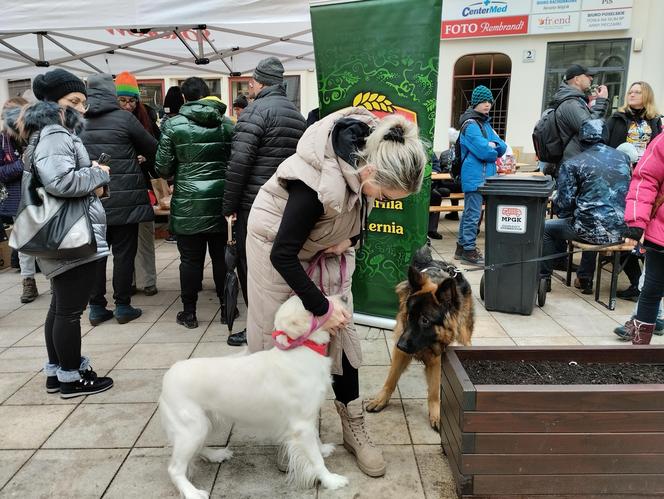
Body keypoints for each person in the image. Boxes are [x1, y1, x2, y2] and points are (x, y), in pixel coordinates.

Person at [245, 106, 427, 478]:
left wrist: (349, 238)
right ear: (371, 172)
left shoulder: (367, 162)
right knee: (290, 341)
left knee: (343, 337)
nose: (387, 201)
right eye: (388, 195)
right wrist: (320, 305)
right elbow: (283, 254)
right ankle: (296, 432)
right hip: (276, 252)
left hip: (324, 248)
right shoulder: (312, 184)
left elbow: (357, 219)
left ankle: (353, 426)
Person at [19, 69, 113, 397]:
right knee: (70, 311)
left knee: (60, 306)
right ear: (52, 102)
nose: (80, 109)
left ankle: (56, 372)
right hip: (70, 234)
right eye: (73, 101)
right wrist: (97, 174)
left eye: (83, 102)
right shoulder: (56, 134)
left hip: (61, 233)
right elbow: (60, 181)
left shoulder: (43, 133)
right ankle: (71, 377)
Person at [222, 56, 306, 346]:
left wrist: (228, 206)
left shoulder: (255, 112)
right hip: (289, 204)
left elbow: (239, 164)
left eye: (251, 81)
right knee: (282, 264)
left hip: (255, 205)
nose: (250, 86)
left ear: (258, 82)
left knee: (252, 269)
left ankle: (257, 327)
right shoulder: (297, 115)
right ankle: (283, 322)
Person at [155, 77, 234, 329]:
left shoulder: (173, 125)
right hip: (221, 199)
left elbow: (162, 167)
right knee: (222, 258)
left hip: (189, 200)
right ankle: (226, 309)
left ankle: (189, 313)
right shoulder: (227, 124)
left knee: (190, 260)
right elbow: (237, 161)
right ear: (208, 94)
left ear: (184, 98)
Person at [80, 74, 158, 325]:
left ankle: (96, 307)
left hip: (91, 198)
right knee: (125, 254)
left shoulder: (77, 120)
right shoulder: (124, 118)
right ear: (111, 93)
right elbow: (152, 147)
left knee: (96, 254)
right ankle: (123, 306)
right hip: (125, 198)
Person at [539, 120, 631, 293]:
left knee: (547, 228)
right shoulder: (624, 158)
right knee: (590, 217)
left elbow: (563, 205)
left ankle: (543, 280)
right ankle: (585, 278)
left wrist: (559, 199)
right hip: (621, 230)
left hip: (588, 229)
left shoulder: (573, 163)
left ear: (581, 139)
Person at [113, 71, 161, 297]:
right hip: (118, 187)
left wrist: (146, 157)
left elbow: (159, 148)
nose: (127, 105)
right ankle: (127, 282)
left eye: (131, 100)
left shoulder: (147, 117)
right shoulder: (109, 119)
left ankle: (148, 280)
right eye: (122, 100)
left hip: (142, 184)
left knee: (144, 235)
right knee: (124, 241)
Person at [619, 132, 664, 344]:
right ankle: (638, 349)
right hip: (661, 234)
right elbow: (645, 179)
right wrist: (636, 222)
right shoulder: (662, 142)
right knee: (652, 290)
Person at [456, 85, 506, 264]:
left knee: (471, 213)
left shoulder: (485, 123)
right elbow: (485, 152)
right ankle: (469, 251)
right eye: (483, 101)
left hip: (484, 176)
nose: (487, 105)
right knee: (473, 215)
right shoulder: (470, 125)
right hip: (474, 177)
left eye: (489, 101)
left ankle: (461, 248)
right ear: (475, 103)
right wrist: (492, 148)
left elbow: (502, 146)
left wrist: (494, 146)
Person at [0, 96, 39, 303]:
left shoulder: (37, 135)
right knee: (23, 243)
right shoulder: (2, 141)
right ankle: (28, 282)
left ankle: (55, 280)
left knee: (46, 238)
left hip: (40, 195)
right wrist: (21, 164)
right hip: (17, 198)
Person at [546, 64, 609, 171]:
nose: (591, 78)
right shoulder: (571, 103)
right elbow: (591, 130)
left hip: (574, 164)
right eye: (588, 75)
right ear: (577, 79)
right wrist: (601, 101)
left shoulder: (575, 101)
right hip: (573, 167)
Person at [607, 81, 661, 159]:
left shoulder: (655, 119)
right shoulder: (618, 116)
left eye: (638, 92)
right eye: (630, 92)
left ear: (647, 96)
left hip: (643, 166)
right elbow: (604, 142)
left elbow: (657, 146)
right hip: (619, 165)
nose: (632, 95)